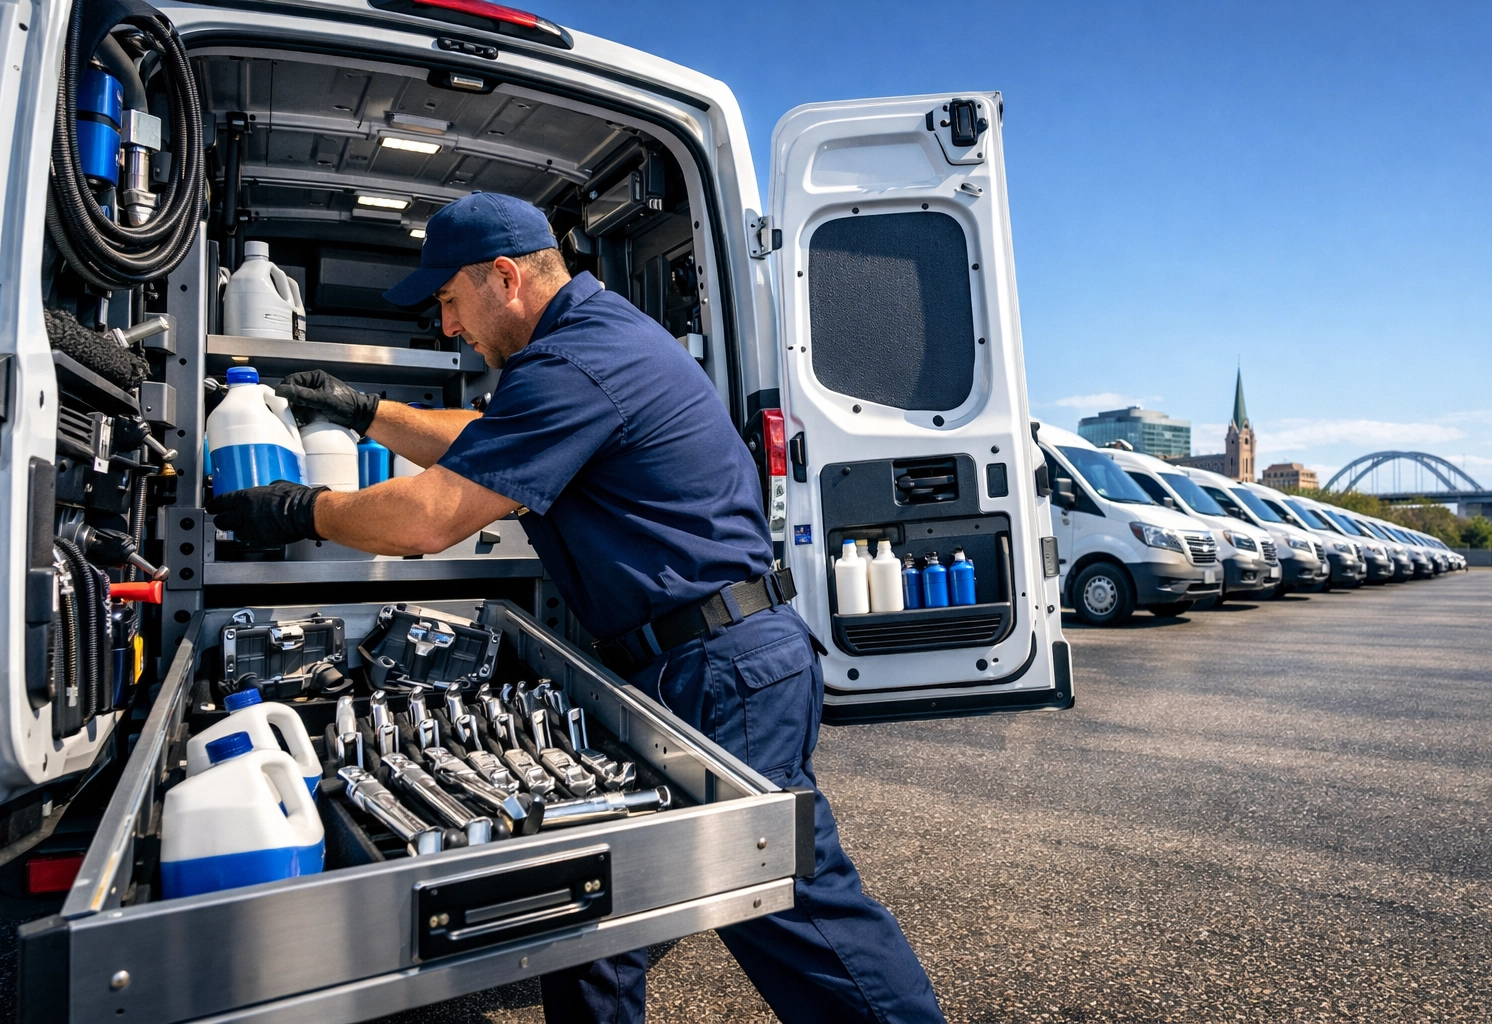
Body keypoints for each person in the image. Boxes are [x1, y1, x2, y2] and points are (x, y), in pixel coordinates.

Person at [207, 191, 945, 1024]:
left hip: (722, 673)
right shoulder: (587, 347)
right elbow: (487, 441)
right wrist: (369, 411)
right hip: (701, 661)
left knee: (795, 907)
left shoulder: (580, 360)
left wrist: (300, 509)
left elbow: (429, 517)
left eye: (448, 302)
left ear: (505, 277)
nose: (448, 327)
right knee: (594, 917)